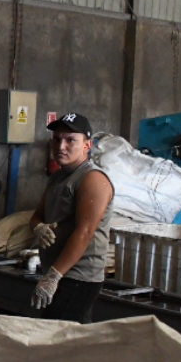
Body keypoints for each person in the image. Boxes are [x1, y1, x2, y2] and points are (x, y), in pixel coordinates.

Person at [30, 113, 114, 322]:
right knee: (72, 343)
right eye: (57, 139)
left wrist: (53, 276)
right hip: (60, 272)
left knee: (54, 339)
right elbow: (37, 215)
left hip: (78, 277)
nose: (61, 146)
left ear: (87, 145)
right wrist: (38, 227)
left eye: (70, 140)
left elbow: (85, 232)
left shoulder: (92, 179)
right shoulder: (58, 178)